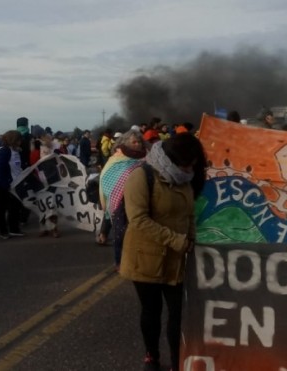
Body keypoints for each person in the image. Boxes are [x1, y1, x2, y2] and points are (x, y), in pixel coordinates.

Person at [121, 133, 207, 371]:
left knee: (178, 313)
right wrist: (177, 240)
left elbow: (189, 214)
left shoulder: (185, 178)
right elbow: (138, 219)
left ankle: (177, 360)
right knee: (151, 311)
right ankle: (151, 356)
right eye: (186, 163)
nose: (190, 169)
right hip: (146, 257)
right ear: (172, 159)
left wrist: (191, 239)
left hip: (177, 260)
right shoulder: (141, 176)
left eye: (193, 164)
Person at [99, 130, 146, 269]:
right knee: (120, 232)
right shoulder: (117, 158)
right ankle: (119, 261)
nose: (137, 145)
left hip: (139, 198)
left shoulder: (146, 157)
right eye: (134, 142)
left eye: (139, 142)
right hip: (120, 200)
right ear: (125, 143)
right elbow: (106, 176)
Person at [0, 130, 25, 239]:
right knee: (2, 209)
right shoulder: (3, 151)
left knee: (15, 208)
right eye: (18, 140)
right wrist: (6, 184)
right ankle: (3, 231)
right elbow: (0, 169)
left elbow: (17, 168)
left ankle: (14, 228)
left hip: (16, 184)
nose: (20, 142)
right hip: (4, 186)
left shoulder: (16, 151)